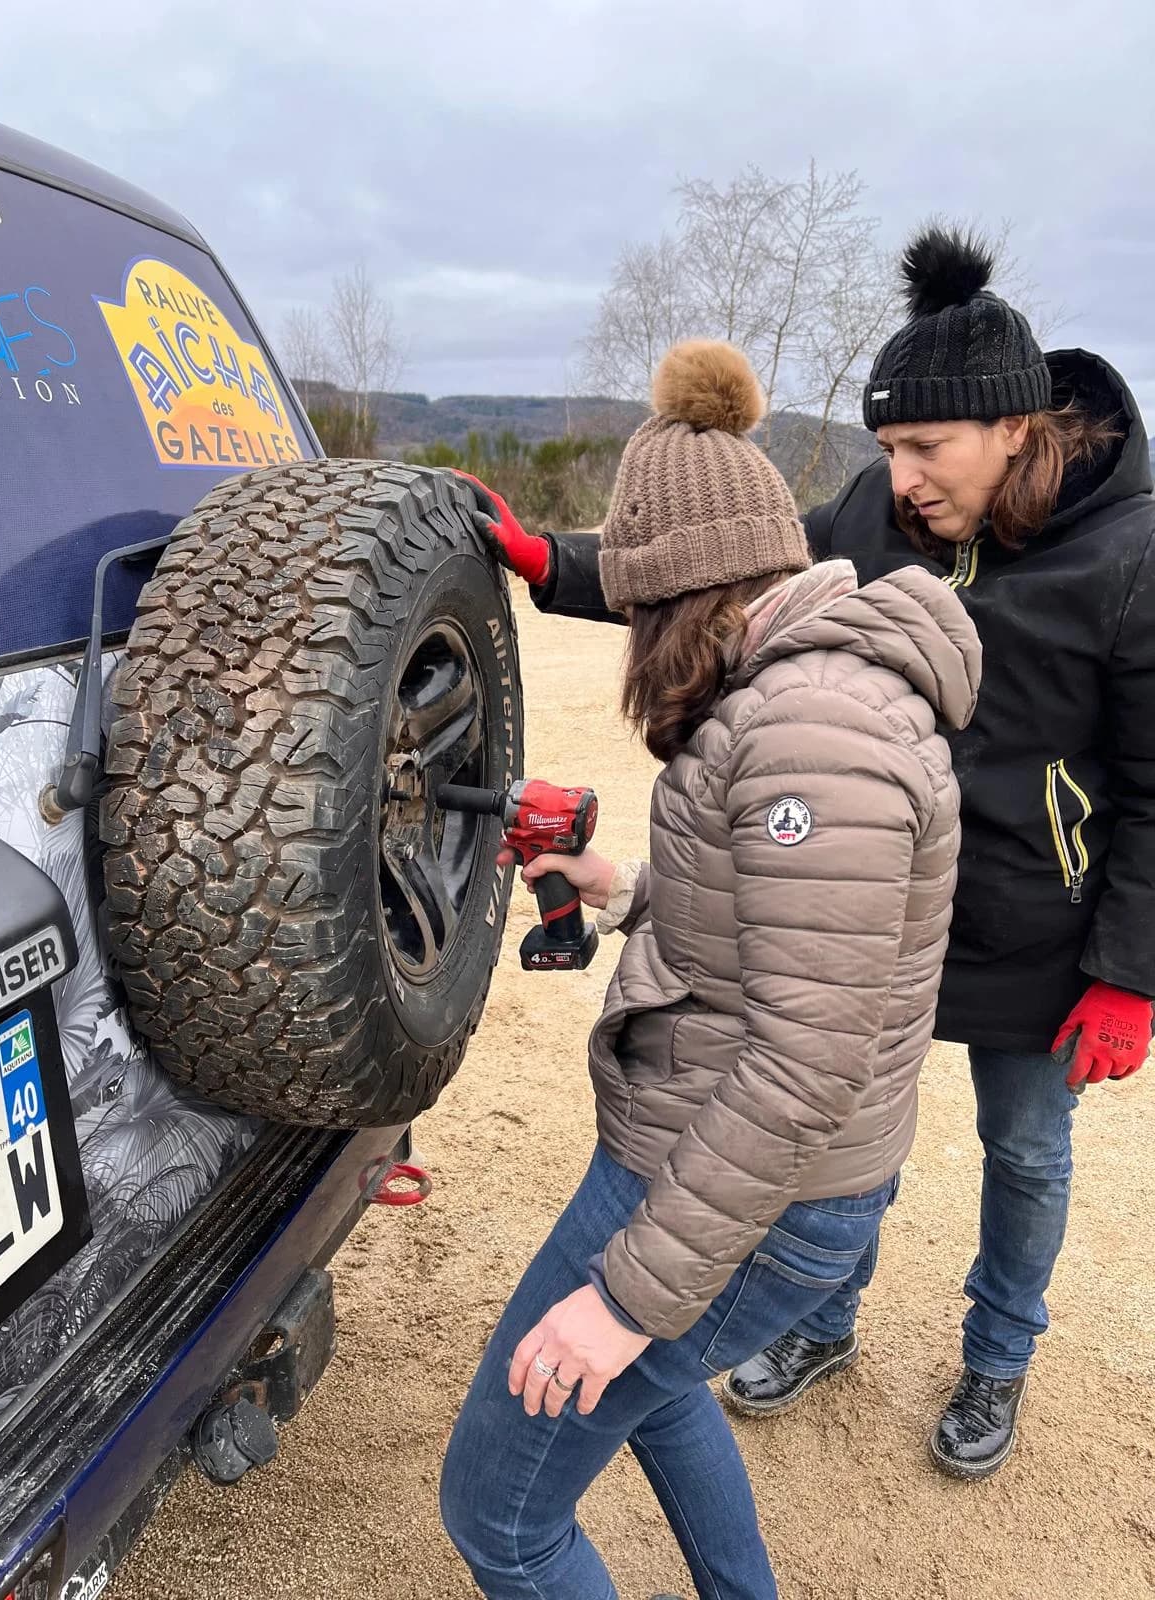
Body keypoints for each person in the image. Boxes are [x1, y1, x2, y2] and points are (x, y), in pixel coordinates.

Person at [462, 226, 1155, 1481]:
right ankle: (823, 1321)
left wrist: (1131, 971)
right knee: (851, 1126)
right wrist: (550, 565)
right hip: (864, 898)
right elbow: (716, 562)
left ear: (1012, 427)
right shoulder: (889, 514)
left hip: (1038, 926)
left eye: (924, 448)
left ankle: (996, 1358)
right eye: (886, 450)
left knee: (1027, 1151)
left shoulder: (1130, 554)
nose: (898, 479)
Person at [440, 339, 980, 1600]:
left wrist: (629, 1296)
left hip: (737, 1195)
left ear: (687, 594)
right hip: (743, 1175)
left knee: (500, 1514)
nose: (632, 638)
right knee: (663, 1393)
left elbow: (807, 1053)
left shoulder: (809, 727)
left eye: (637, 610)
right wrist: (628, 891)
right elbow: (791, 940)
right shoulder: (800, 694)